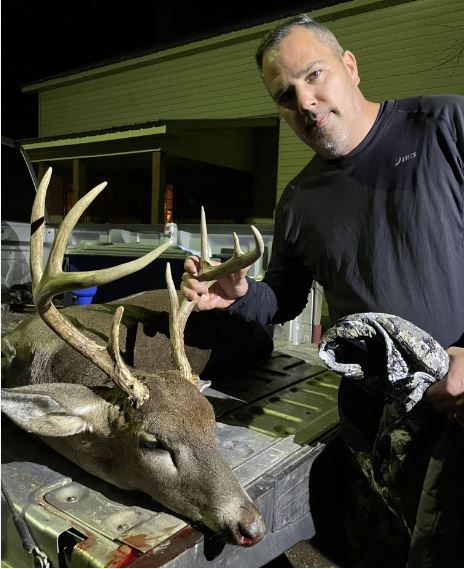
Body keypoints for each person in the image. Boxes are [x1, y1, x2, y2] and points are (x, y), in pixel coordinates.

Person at [181, 14, 464, 566]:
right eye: (285, 96)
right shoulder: (299, 200)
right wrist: (240, 294)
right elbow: (284, 299)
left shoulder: (445, 127)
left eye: (314, 75)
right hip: (374, 429)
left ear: (350, 66)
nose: (305, 102)